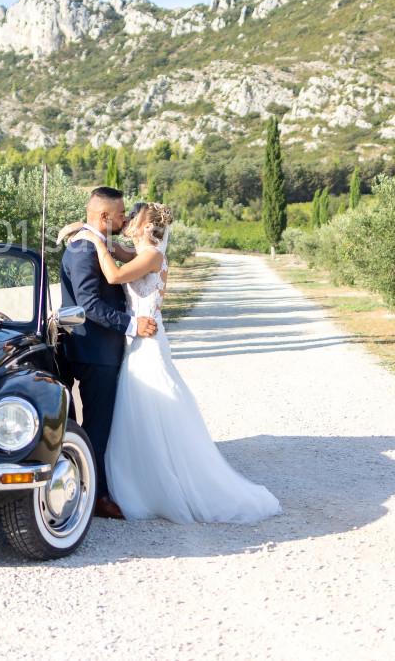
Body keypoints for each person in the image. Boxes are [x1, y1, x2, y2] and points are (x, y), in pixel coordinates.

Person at [65, 201, 280, 525]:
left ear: (144, 225)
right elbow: (114, 249)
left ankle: (164, 483)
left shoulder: (152, 256)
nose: (126, 219)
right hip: (135, 342)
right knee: (134, 414)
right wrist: (84, 230)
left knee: (154, 410)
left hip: (147, 341)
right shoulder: (138, 251)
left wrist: (93, 239)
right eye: (123, 214)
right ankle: (132, 483)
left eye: (131, 216)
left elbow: (114, 274)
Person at [58, 186, 157, 520]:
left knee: (92, 424)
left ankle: (87, 485)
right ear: (104, 216)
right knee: (97, 426)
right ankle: (96, 496)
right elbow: (89, 305)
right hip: (94, 350)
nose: (124, 218)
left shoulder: (89, 242)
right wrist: (131, 324)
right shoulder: (84, 249)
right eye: (120, 213)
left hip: (90, 347)